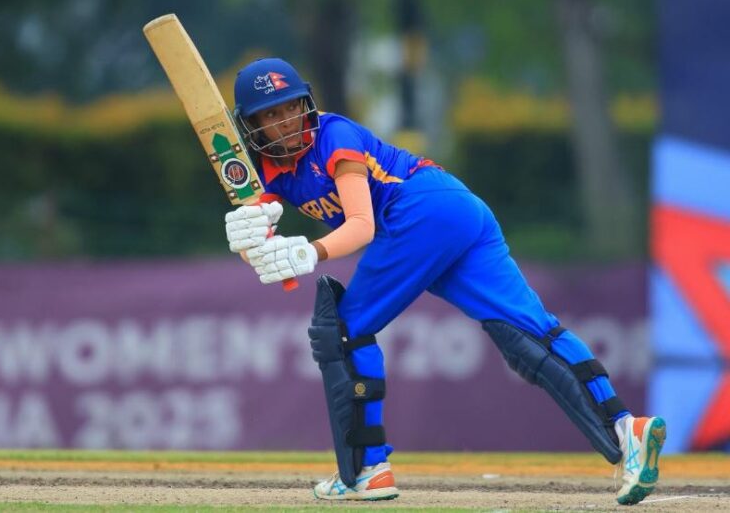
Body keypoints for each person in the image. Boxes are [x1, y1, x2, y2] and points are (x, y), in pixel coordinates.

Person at [224, 57, 666, 505]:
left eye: (291, 106)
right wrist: (248, 237)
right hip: (459, 209)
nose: (287, 120)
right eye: (272, 114)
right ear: (253, 125)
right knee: (528, 334)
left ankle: (366, 470)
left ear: (306, 102)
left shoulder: (334, 137)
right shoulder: (266, 169)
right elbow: (258, 239)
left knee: (343, 332)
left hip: (416, 211)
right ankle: (626, 428)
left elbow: (361, 225)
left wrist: (307, 252)